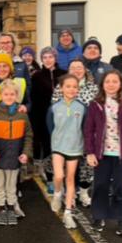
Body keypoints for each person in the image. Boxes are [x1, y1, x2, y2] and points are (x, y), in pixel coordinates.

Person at [84, 70, 122, 236]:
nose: (111, 84)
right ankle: (98, 216)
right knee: (100, 185)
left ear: (120, 84)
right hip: (102, 154)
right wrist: (90, 152)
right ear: (102, 84)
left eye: (114, 81)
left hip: (121, 154)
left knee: (120, 187)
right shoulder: (95, 104)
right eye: (107, 81)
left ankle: (121, 218)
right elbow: (89, 129)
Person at [51, 59, 99, 207]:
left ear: (84, 69)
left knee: (86, 167)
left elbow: (98, 109)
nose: (77, 70)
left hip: (88, 133)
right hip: (66, 135)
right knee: (66, 169)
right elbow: (54, 110)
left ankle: (83, 192)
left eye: (79, 67)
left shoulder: (93, 87)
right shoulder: (61, 87)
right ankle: (66, 194)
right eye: (73, 67)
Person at [0, 79, 33, 226]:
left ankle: (12, 206)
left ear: (17, 95)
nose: (9, 97)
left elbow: (28, 135)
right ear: (0, 95)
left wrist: (26, 153)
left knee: (12, 184)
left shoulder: (22, 114)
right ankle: (0, 206)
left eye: (12, 94)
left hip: (15, 157)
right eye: (6, 94)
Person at [46, 74, 87, 229]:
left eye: (75, 87)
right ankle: (57, 194)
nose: (71, 89)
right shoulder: (54, 107)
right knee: (58, 176)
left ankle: (68, 213)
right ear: (61, 88)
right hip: (58, 147)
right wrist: (57, 140)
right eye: (68, 86)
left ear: (78, 89)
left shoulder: (82, 107)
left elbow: (85, 128)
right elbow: (50, 127)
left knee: (70, 179)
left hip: (75, 148)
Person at [30, 47, 66, 194]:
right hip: (43, 117)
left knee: (61, 148)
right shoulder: (37, 76)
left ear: (55, 58)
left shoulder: (63, 74)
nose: (48, 60)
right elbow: (34, 99)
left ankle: (62, 177)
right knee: (48, 147)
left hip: (62, 117)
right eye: (44, 57)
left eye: (50, 57)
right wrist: (35, 121)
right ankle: (51, 178)